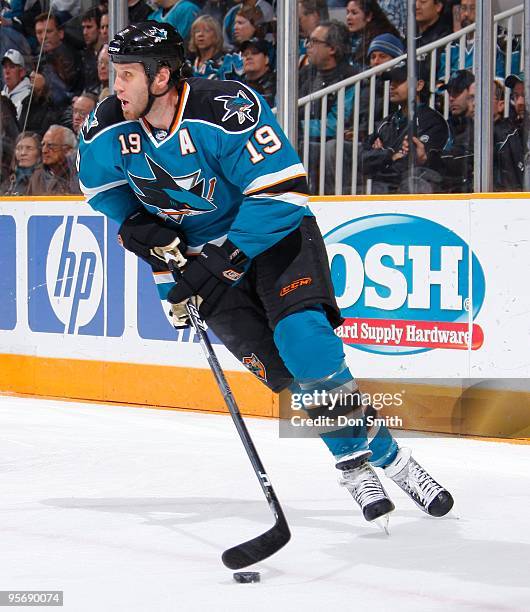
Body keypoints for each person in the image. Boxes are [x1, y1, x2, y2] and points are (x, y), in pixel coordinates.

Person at [78, 21, 454, 526]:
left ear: (162, 75)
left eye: (126, 75)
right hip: (199, 261)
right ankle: (385, 454)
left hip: (274, 241)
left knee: (308, 346)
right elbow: (102, 192)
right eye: (113, 74)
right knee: (289, 379)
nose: (115, 86)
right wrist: (139, 226)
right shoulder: (106, 128)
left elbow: (283, 191)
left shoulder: (227, 107)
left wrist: (222, 262)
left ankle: (358, 463)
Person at [359, 61, 449, 193]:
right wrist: (390, 155)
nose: (391, 86)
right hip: (380, 190)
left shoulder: (433, 122)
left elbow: (413, 166)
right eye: (391, 81)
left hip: (411, 196)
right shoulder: (386, 122)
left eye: (399, 80)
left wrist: (379, 156)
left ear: (419, 85)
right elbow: (362, 159)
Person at [439, 69, 475, 193]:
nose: (451, 98)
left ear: (471, 93)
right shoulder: (445, 125)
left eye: (457, 92)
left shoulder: (482, 128)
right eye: (450, 92)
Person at [345, 0, 400, 73]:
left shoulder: (382, 38)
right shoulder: (350, 38)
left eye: (354, 13)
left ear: (369, 16)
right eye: (347, 12)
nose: (348, 17)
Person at [27, 124, 78, 194]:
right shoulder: (37, 175)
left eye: (50, 146)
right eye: (43, 145)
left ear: (68, 150)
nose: (44, 150)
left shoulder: (78, 175)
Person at [1, 131, 42, 195]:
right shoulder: (7, 178)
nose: (23, 153)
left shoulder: (45, 179)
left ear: (39, 152)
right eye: (19, 148)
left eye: (29, 148)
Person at [240, 37, 275, 107]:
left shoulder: (277, 83)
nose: (248, 57)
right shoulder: (238, 85)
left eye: (254, 53)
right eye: (245, 54)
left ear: (266, 59)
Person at [187, 15, 224, 79]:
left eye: (206, 31)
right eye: (197, 31)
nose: (200, 34)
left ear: (216, 35)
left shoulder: (223, 63)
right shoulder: (188, 63)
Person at [1, 48, 31, 122]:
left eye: (12, 67)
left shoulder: (28, 97)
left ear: (22, 72)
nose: (7, 71)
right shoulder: (2, 94)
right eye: (5, 67)